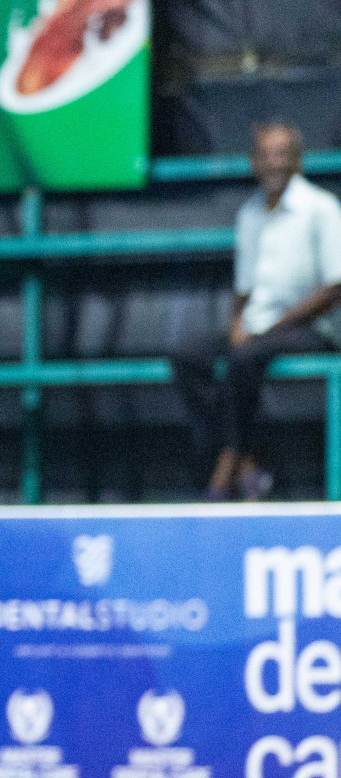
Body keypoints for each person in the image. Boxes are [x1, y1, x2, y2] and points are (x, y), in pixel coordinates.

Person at [173, 120, 341, 500]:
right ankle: (248, 464)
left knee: (246, 355)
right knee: (188, 355)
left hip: (312, 329)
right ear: (253, 162)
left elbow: (335, 285)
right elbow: (245, 286)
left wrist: (274, 327)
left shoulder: (322, 208)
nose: (274, 163)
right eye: (266, 155)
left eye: (282, 154)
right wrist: (237, 322)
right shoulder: (249, 214)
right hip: (259, 326)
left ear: (298, 161)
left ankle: (225, 469)